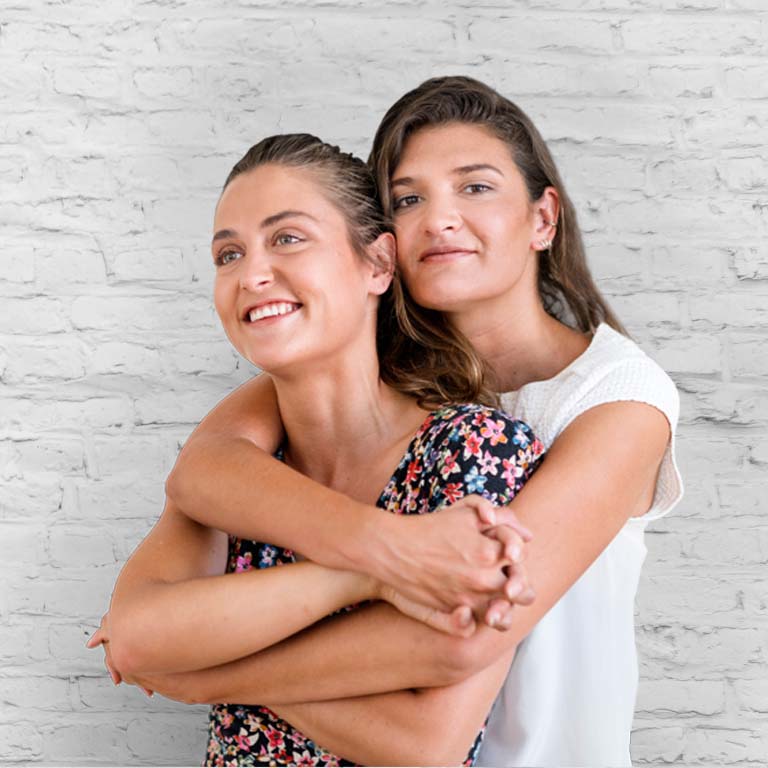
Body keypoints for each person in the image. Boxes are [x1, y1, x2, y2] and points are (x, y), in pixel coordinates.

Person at [94, 76, 683, 767]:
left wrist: (200, 673)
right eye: (407, 198)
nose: (438, 219)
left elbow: (463, 637)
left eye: (476, 187)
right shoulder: (360, 373)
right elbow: (204, 470)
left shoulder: (613, 397)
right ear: (383, 244)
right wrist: (384, 556)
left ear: (543, 220)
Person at [91, 133, 545, 766]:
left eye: (288, 238)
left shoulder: (474, 448)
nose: (251, 274)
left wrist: (203, 665)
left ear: (378, 265)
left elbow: (424, 740)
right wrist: (368, 572)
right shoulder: (240, 471)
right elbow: (139, 637)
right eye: (228, 254)